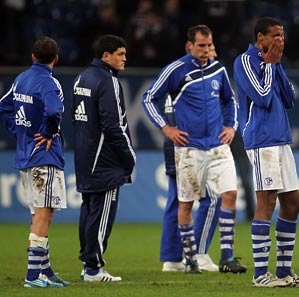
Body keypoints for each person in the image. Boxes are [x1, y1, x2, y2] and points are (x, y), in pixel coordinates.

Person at [142, 24, 246, 274]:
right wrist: (166, 128)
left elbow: (230, 100)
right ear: (189, 46)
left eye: (209, 45)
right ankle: (190, 259)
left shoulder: (218, 68)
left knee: (229, 195)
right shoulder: (176, 69)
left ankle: (226, 257)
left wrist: (231, 127)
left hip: (218, 146)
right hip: (188, 149)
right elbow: (148, 98)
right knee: (185, 205)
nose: (206, 50)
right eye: (201, 45)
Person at [233, 16, 299, 288]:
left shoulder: (274, 63)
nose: (281, 40)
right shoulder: (245, 62)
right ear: (260, 38)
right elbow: (262, 96)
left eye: (283, 36)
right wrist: (269, 66)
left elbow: (289, 99)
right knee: (267, 201)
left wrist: (277, 66)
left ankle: (284, 272)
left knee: (293, 203)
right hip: (261, 140)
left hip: (281, 139)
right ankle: (260, 275)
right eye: (276, 36)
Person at [0, 36, 69, 288]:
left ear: (32, 56)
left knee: (43, 213)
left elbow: (3, 106)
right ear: (56, 59)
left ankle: (46, 271)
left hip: (26, 155)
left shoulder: (21, 79)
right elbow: (54, 112)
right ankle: (32, 276)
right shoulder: (49, 83)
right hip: (44, 156)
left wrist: (18, 129)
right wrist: (49, 132)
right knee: (43, 213)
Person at [72, 34, 136, 282]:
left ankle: (87, 262)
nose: (125, 58)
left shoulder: (81, 78)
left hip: (85, 156)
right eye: (120, 54)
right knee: (101, 215)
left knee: (88, 211)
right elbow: (113, 125)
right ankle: (93, 268)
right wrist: (128, 156)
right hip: (105, 162)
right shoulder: (108, 81)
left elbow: (76, 119)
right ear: (105, 56)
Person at [160, 43, 221, 273]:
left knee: (177, 200)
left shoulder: (177, 73)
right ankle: (199, 254)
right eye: (207, 47)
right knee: (212, 197)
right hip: (192, 144)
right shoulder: (193, 75)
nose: (211, 53)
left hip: (175, 143)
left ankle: (172, 258)